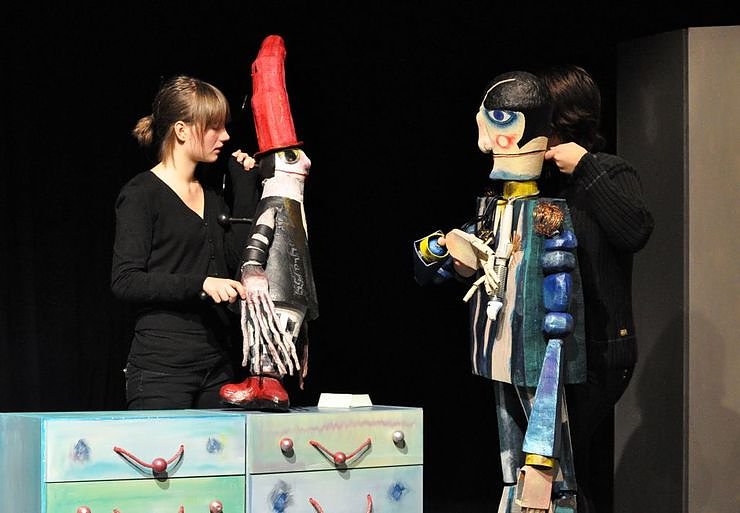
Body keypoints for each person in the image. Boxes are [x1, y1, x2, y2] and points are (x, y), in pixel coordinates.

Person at [538, 65, 654, 513]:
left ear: (563, 118)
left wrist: (585, 165)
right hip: (558, 352)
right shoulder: (547, 183)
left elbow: (635, 230)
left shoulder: (607, 170)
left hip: (602, 353)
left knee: (561, 466)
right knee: (561, 469)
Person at [111, 74, 259, 410]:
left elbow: (235, 262)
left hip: (218, 366)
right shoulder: (141, 194)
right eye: (213, 127)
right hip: (162, 370)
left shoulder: (213, 196)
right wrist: (201, 284)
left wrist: (244, 190)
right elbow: (126, 280)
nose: (225, 136)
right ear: (181, 130)